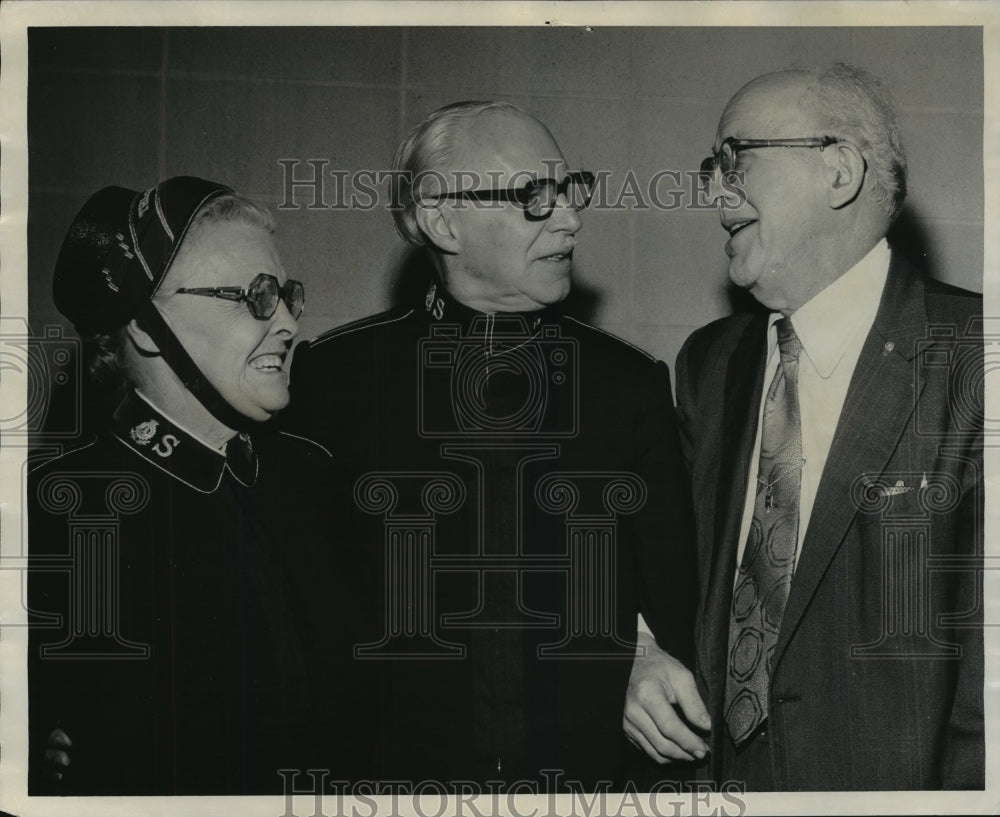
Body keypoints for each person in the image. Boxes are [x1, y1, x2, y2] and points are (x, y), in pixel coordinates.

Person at [281, 101, 698, 788]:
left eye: (570, 190)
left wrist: (645, 646)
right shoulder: (337, 379)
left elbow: (674, 597)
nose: (570, 217)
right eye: (536, 195)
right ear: (444, 221)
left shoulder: (629, 385)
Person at [624, 64, 984, 790]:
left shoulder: (976, 355)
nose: (713, 190)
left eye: (735, 159)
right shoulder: (708, 363)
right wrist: (633, 651)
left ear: (839, 170)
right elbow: (662, 568)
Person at [27, 176, 349, 794]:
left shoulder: (313, 479)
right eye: (254, 296)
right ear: (146, 326)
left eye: (286, 295)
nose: (285, 322)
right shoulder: (59, 512)